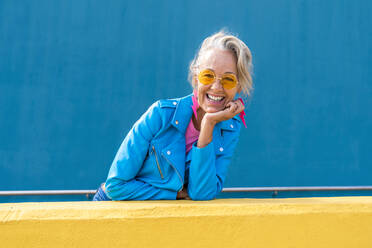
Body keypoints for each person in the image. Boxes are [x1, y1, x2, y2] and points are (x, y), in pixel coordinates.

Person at [93, 30, 253, 201]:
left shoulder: (230, 127)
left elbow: (201, 193)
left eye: (228, 79)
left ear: (239, 87)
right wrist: (175, 194)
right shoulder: (161, 114)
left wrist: (208, 123)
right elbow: (115, 187)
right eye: (208, 76)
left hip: (163, 215)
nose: (216, 87)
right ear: (196, 77)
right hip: (116, 206)